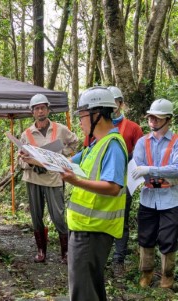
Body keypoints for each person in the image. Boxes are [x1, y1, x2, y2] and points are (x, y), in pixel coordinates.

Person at [61, 87, 128, 301]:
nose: (80, 122)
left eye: (82, 115)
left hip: (93, 230)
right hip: (85, 227)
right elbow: (65, 163)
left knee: (82, 291)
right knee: (91, 286)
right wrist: (36, 158)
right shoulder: (94, 146)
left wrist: (76, 181)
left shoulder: (113, 145)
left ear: (96, 114)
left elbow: (113, 187)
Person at [18, 94, 78, 264]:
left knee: (58, 215)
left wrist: (62, 156)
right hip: (33, 177)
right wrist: (25, 160)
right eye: (37, 108)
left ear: (48, 109)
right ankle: (41, 251)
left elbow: (74, 142)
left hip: (53, 177)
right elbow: (20, 159)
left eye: (43, 107)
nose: (40, 111)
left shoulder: (60, 129)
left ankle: (65, 252)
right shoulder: (26, 134)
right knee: (36, 215)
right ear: (32, 112)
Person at [131, 98, 178, 289]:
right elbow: (137, 164)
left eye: (157, 119)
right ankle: (146, 273)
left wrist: (150, 169)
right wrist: (154, 170)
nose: (153, 122)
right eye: (151, 118)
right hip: (148, 198)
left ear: (168, 120)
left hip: (171, 198)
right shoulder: (143, 142)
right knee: (146, 236)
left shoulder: (176, 142)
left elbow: (176, 168)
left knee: (169, 238)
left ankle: (167, 276)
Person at [105, 86, 143, 274]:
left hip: (125, 180)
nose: (113, 107)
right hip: (103, 179)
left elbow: (141, 155)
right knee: (103, 217)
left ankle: (118, 258)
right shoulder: (98, 126)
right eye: (109, 103)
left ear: (121, 103)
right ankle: (102, 254)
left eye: (115, 102)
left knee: (122, 218)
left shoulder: (133, 128)